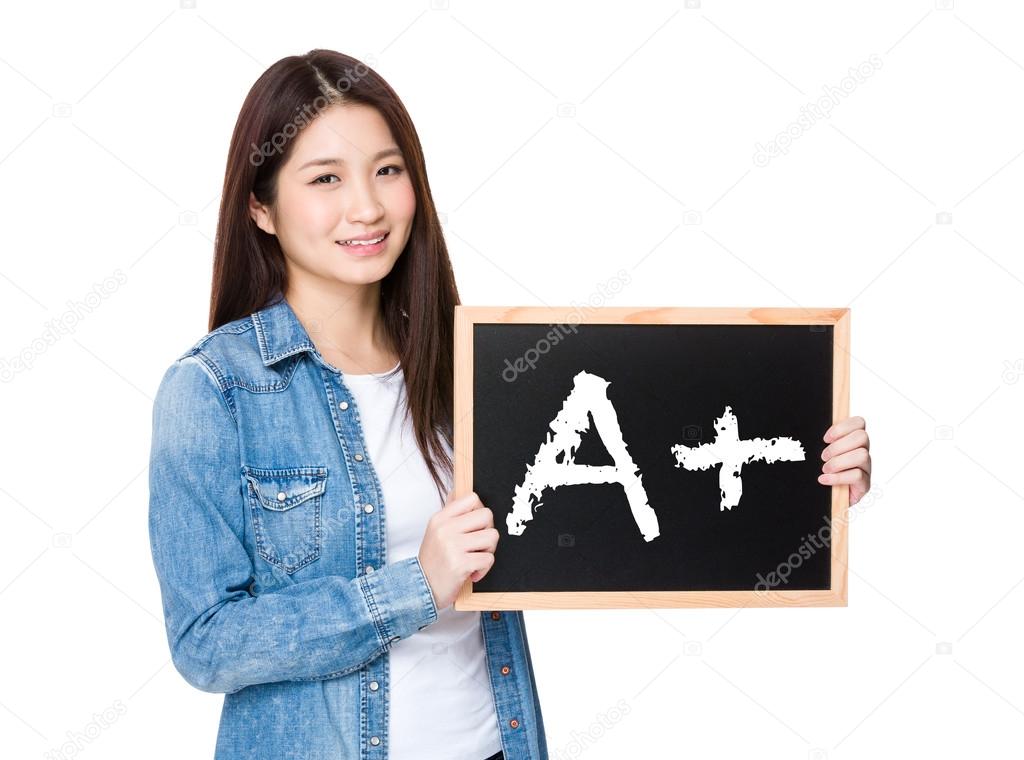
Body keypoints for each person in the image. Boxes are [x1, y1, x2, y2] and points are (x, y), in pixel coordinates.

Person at [147, 49, 871, 760]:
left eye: (388, 170)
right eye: (325, 178)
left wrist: (804, 479)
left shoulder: (474, 370)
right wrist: (415, 588)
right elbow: (206, 642)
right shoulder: (215, 390)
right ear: (261, 207)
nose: (365, 206)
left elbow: (644, 483)